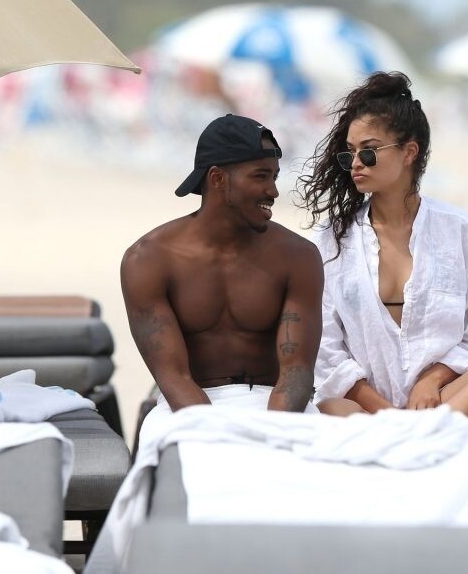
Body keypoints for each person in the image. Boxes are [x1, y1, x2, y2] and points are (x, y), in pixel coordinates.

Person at [298, 72, 468, 416]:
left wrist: (431, 381)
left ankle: (419, 433)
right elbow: (328, 351)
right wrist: (388, 414)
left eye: (369, 151)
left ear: (409, 152)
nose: (356, 163)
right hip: (367, 411)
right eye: (350, 154)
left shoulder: (461, 230)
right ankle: (419, 435)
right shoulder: (331, 239)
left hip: (443, 400)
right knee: (332, 406)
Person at [122, 113, 328, 415]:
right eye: (260, 176)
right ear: (217, 178)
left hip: (276, 406)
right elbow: (173, 376)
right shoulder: (148, 260)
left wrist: (272, 431)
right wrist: (216, 431)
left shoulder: (299, 257)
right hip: (186, 408)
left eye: (274, 177)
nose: (273, 191)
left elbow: (296, 372)